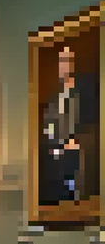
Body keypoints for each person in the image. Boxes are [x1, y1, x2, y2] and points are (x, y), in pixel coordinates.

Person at [40, 44, 100, 205]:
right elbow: (48, 131)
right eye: (62, 62)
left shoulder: (85, 90)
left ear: (73, 64)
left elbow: (92, 125)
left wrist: (77, 142)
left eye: (68, 61)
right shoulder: (53, 100)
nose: (64, 66)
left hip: (79, 158)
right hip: (57, 163)